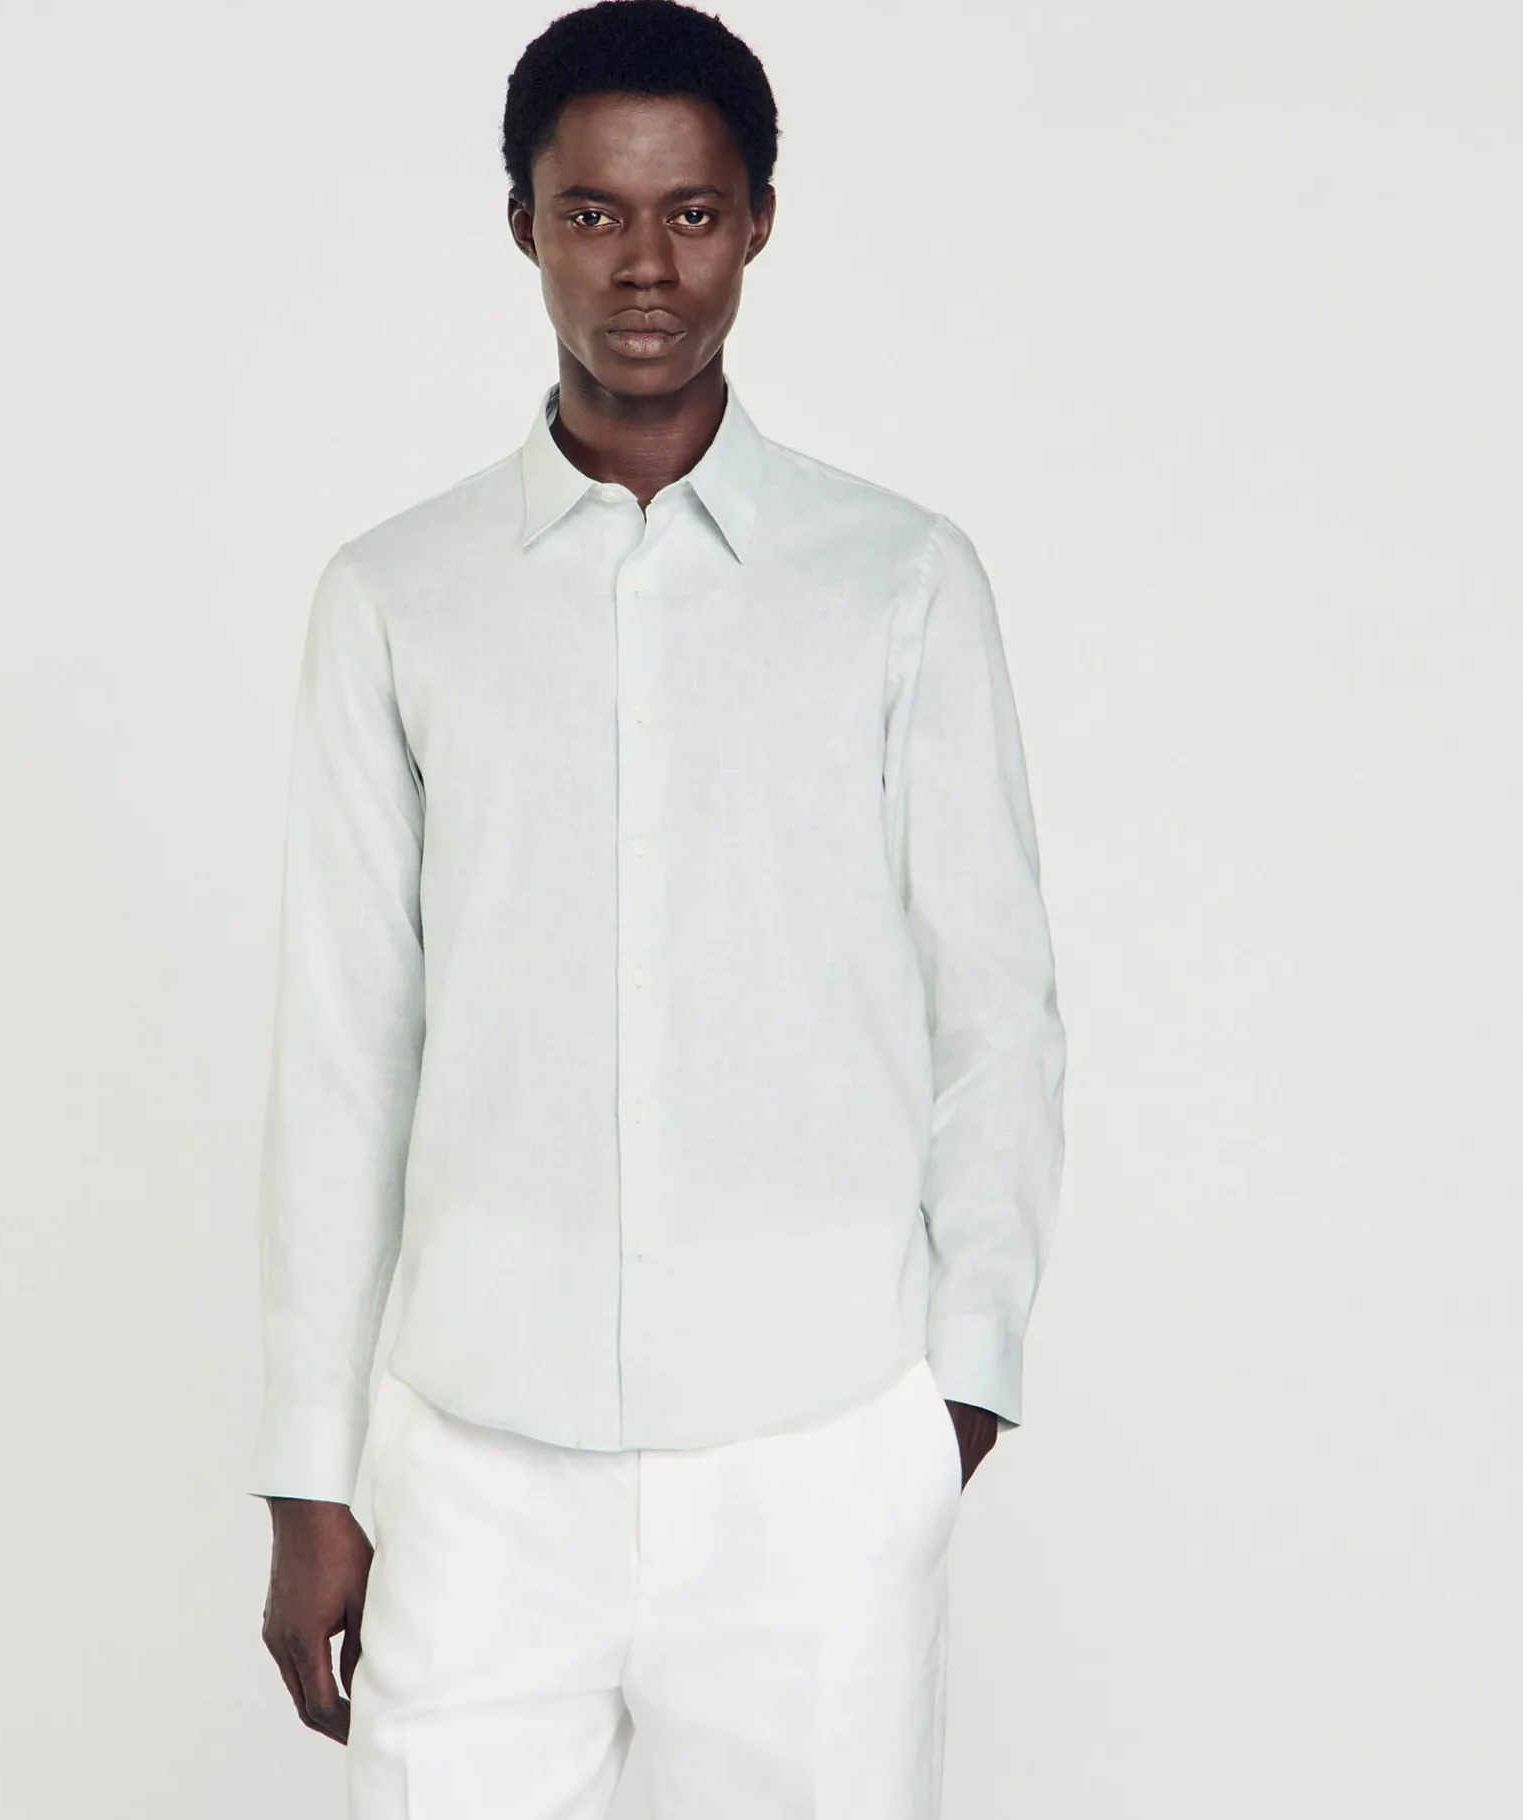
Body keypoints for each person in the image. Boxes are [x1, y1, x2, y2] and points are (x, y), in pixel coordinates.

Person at [250, 3, 1067, 1814]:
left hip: (816, 1451)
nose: (645, 266)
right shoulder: (397, 599)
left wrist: (959, 1394)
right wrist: (310, 1470)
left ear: (758, 219)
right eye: (594, 212)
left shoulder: (900, 582)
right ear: (524, 223)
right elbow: (344, 1048)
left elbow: (996, 1007)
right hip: (475, 1460)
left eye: (693, 213)